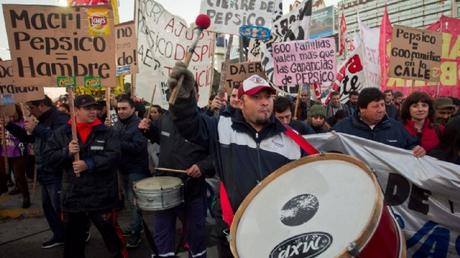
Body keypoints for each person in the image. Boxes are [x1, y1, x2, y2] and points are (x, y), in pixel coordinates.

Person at [167, 64, 306, 257]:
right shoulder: (222, 128)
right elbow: (189, 124)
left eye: (268, 96)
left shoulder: (293, 139)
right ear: (240, 102)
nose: (264, 102)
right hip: (234, 229)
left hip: (278, 231)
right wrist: (183, 98)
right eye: (256, 97)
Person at [44, 95, 126, 258]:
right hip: (74, 198)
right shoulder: (62, 133)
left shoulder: (107, 131)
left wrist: (89, 164)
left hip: (102, 196)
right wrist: (66, 152)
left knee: (112, 239)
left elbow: (114, 155)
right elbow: (49, 158)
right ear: (75, 110)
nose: (93, 111)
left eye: (94, 108)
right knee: (73, 243)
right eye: (88, 108)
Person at [139, 82, 215, 258]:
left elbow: (217, 156)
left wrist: (202, 167)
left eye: (186, 94)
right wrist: (147, 130)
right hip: (163, 187)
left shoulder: (207, 122)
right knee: (162, 235)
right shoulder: (164, 119)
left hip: (192, 189)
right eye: (177, 94)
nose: (181, 98)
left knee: (196, 234)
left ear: (196, 95)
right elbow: (158, 138)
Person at [6, 96, 68, 248]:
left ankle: (74, 235)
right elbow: (29, 138)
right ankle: (60, 235)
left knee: (61, 208)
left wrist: (37, 129)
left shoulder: (60, 118)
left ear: (41, 105)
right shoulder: (40, 120)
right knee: (48, 208)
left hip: (57, 171)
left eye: (31, 108)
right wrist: (9, 125)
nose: (30, 112)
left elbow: (60, 140)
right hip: (44, 170)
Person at [333, 88, 425, 157]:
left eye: (382, 105)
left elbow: (411, 145)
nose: (381, 110)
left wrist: (416, 149)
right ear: (362, 109)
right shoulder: (342, 128)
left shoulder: (396, 127)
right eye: (375, 106)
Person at [112, 94, 150, 248]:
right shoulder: (118, 124)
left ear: (133, 109)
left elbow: (138, 147)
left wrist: (117, 142)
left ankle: (136, 233)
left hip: (136, 170)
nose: (120, 111)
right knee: (129, 201)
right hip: (123, 169)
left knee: (135, 203)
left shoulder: (139, 124)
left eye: (124, 108)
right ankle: (136, 226)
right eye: (118, 108)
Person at [0, 106, 30, 208]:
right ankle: (14, 188)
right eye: (9, 115)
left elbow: (25, 136)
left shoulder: (23, 122)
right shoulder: (2, 122)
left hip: (18, 153)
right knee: (3, 174)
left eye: (14, 114)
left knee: (19, 175)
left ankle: (26, 197)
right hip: (4, 152)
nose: (11, 117)